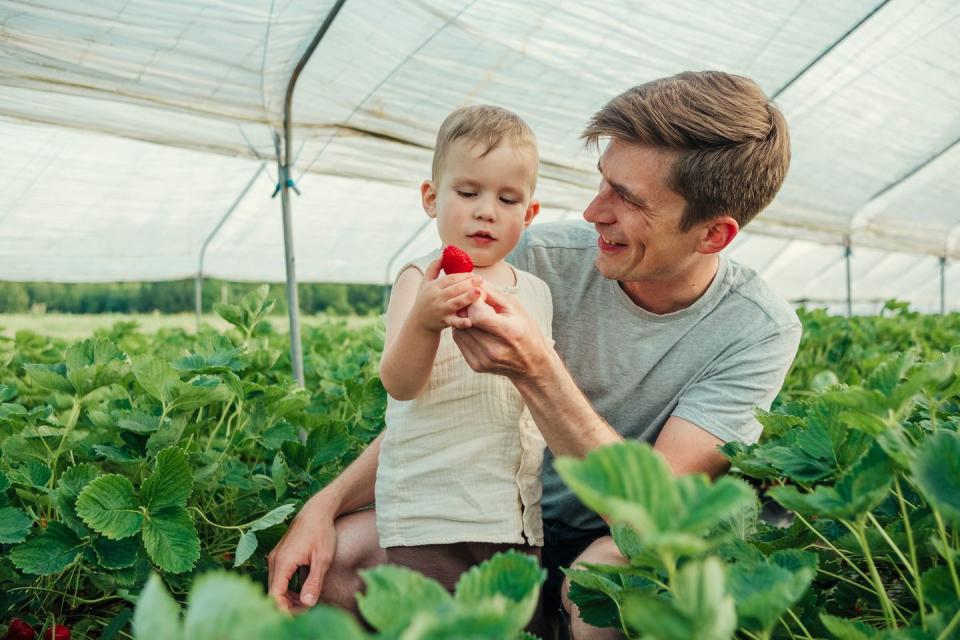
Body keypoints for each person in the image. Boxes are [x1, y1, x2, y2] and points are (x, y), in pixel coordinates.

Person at [267, 71, 800, 640]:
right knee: (332, 566)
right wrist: (324, 504)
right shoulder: (531, 257)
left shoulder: (756, 329)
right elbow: (442, 401)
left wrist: (536, 368)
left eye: (630, 199)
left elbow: (650, 518)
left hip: (607, 540)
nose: (595, 211)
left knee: (612, 593)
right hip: (491, 516)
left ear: (713, 235)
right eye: (603, 182)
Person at [374, 104, 552, 608]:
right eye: (469, 192)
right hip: (433, 513)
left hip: (514, 516)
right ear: (432, 198)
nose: (486, 210)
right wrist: (426, 322)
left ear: (530, 214)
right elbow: (400, 384)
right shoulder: (420, 279)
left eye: (508, 198)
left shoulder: (536, 293)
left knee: (516, 625)